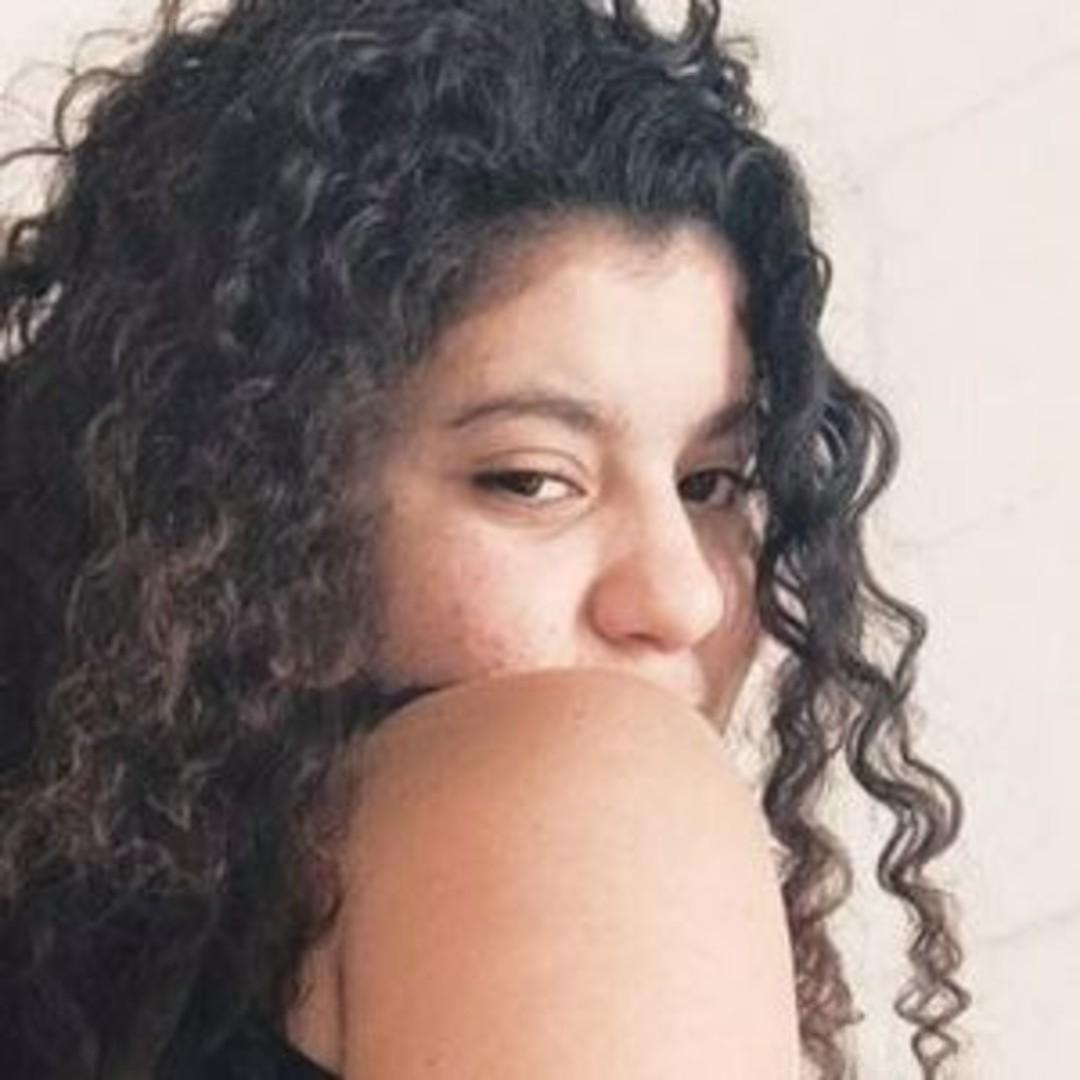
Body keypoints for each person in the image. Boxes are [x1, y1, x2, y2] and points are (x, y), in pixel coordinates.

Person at [0, 0, 969, 1076]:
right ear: (249, 507)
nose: (682, 596)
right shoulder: (581, 776)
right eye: (530, 482)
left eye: (713, 483)